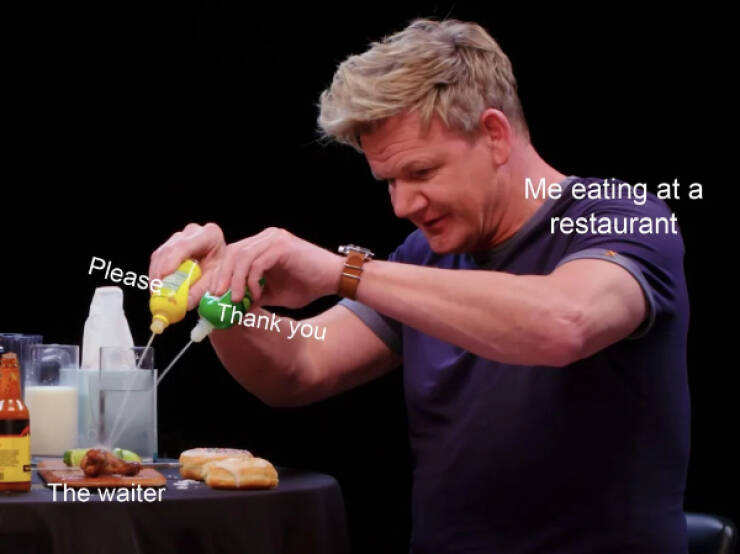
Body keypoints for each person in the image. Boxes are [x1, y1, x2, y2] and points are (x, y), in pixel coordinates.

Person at [149, 18, 689, 553]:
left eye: (422, 173)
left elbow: (563, 322)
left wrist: (345, 272)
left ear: (495, 135)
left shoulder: (623, 218)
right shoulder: (425, 256)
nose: (402, 205)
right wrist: (224, 296)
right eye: (389, 182)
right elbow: (301, 366)